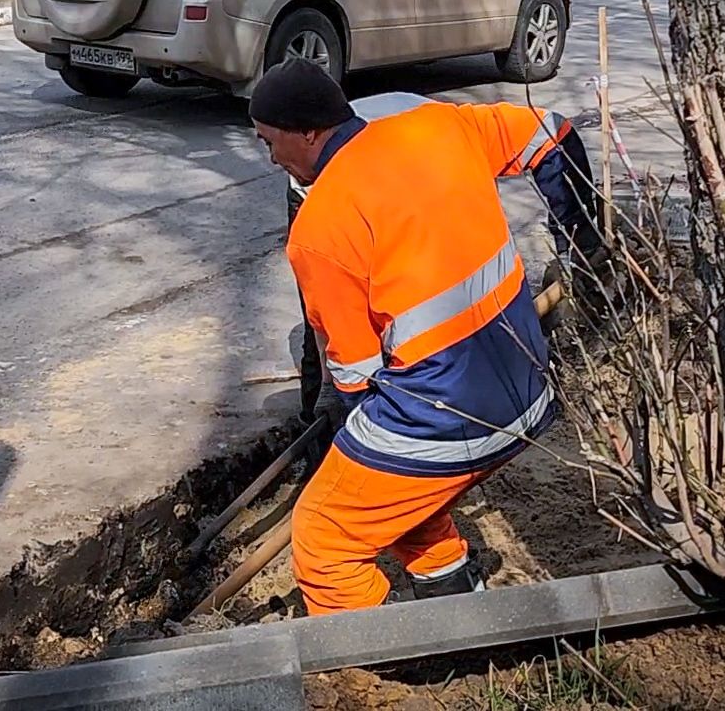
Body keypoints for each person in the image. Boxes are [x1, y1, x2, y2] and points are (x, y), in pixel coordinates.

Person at [252, 61, 600, 614]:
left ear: (309, 133)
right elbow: (551, 132)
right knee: (399, 492)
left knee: (324, 537)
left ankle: (365, 676)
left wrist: (346, 440)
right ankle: (454, 603)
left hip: (450, 421)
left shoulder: (319, 228)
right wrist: (585, 248)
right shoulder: (437, 127)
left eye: (270, 142)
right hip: (530, 390)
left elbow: (356, 378)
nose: (272, 159)